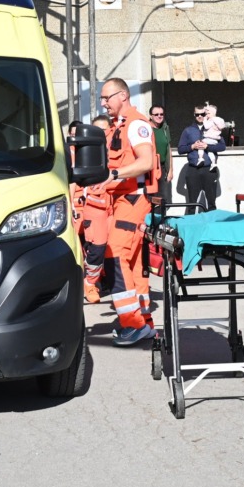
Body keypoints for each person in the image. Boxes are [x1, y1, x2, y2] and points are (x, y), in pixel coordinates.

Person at [100, 79, 162, 345]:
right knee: (134, 262)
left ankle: (133, 324)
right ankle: (143, 322)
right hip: (125, 200)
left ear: (123, 96)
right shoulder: (120, 126)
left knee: (115, 255)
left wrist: (114, 174)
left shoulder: (136, 125)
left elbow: (145, 162)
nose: (103, 103)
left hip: (133, 199)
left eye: (107, 98)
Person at [79, 114, 112, 302]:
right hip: (95, 205)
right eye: (97, 130)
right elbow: (75, 180)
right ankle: (90, 283)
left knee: (114, 248)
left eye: (104, 130)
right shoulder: (86, 151)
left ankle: (107, 281)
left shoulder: (117, 147)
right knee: (97, 248)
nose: (101, 134)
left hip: (115, 205)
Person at [177, 103, 226, 211]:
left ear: (206, 114)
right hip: (193, 169)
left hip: (209, 169)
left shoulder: (214, 127)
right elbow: (180, 149)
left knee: (211, 203)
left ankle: (212, 222)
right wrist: (192, 146)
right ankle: (191, 222)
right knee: (192, 204)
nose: (200, 116)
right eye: (197, 114)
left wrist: (208, 147)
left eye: (202, 114)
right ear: (194, 115)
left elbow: (222, 146)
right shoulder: (188, 130)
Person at [148, 104, 174, 206]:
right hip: (149, 168)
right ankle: (151, 216)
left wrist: (170, 170)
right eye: (156, 114)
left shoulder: (165, 128)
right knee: (151, 196)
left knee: (162, 197)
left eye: (161, 114)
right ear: (150, 116)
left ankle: (160, 216)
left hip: (162, 167)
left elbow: (168, 149)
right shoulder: (146, 128)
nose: (159, 116)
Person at [200, 103, 226, 171]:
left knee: (200, 145)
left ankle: (200, 158)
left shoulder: (212, 120)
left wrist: (205, 120)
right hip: (215, 140)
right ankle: (213, 163)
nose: (206, 115)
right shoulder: (218, 121)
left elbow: (206, 126)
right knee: (210, 151)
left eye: (208, 113)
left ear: (213, 113)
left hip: (209, 138)